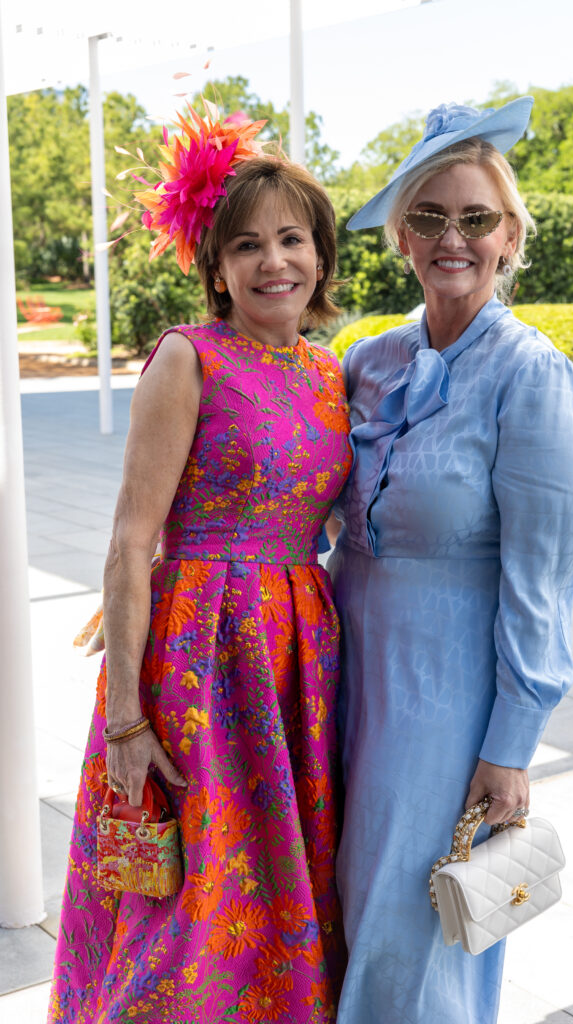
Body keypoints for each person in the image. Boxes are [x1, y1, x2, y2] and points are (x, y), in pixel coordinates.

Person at [48, 103, 351, 1024]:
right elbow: (131, 539)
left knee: (276, 883)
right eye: (248, 245)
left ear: (321, 255)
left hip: (300, 652)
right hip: (198, 651)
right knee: (185, 896)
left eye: (292, 239)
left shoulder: (333, 370)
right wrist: (130, 720)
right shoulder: (188, 358)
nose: (274, 263)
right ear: (215, 266)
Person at [327, 97, 573, 1023]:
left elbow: (543, 579)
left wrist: (510, 746)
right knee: (339, 907)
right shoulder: (367, 360)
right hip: (338, 678)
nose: (453, 238)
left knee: (412, 928)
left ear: (509, 233)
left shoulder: (531, 373)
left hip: (442, 701)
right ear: (401, 234)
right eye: (431, 217)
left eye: (475, 218)